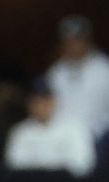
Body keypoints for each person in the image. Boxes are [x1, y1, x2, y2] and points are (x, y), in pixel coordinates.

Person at [4, 78, 95, 177]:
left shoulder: (75, 127)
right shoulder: (19, 132)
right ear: (29, 104)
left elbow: (83, 164)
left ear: (54, 100)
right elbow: (14, 165)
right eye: (36, 101)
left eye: (46, 100)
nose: (42, 105)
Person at [46, 15, 109, 146]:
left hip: (97, 136)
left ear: (88, 41)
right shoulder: (56, 72)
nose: (72, 45)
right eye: (68, 41)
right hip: (60, 137)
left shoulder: (104, 70)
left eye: (77, 40)